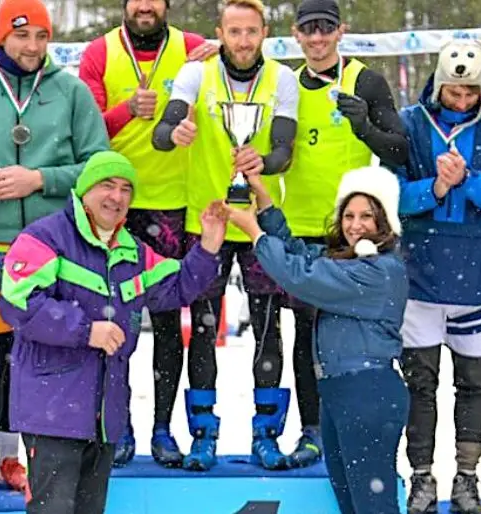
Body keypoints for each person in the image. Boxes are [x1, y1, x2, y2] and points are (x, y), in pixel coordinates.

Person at [0, 0, 109, 510]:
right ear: (1, 39)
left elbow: (99, 166)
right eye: (21, 36)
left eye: (40, 36)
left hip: (53, 252)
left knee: (42, 365)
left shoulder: (71, 92)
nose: (32, 47)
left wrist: (42, 179)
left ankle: (29, 467)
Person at [0, 151, 226, 514]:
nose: (116, 197)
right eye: (107, 185)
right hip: (52, 412)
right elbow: (16, 303)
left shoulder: (134, 252)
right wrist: (85, 330)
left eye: (125, 190)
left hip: (104, 417)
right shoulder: (44, 237)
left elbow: (178, 286)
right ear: (84, 190)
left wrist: (209, 245)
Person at [150, 0, 299, 471]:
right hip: (209, 219)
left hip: (257, 219)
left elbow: (284, 152)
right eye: (233, 31)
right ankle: (202, 433)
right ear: (220, 32)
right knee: (204, 330)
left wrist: (263, 164)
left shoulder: (283, 78)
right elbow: (163, 129)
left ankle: (267, 433)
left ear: (264, 33)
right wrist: (175, 131)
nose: (242, 40)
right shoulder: (198, 74)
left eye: (251, 31)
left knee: (268, 326)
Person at [77, 0, 218, 468]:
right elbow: (85, 131)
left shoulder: (193, 48)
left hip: (175, 204)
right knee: (112, 323)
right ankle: (117, 426)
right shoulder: (98, 53)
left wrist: (222, 48)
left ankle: (162, 427)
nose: (144, 6)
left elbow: (234, 74)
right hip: (115, 208)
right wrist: (124, 112)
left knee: (167, 327)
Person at [391, 37, 481, 514]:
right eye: (455, 92)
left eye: (471, 93)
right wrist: (435, 186)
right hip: (420, 280)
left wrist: (468, 181)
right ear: (439, 84)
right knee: (419, 384)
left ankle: (466, 478)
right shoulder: (409, 123)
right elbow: (391, 197)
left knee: (474, 384)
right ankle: (422, 476)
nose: (463, 101)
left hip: (478, 279)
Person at [226, 166, 409, 513]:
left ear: (384, 222)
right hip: (338, 394)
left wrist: (253, 233)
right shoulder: (346, 262)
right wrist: (263, 198)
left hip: (367, 393)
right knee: (351, 504)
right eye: (349, 215)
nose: (355, 225)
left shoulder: (380, 271)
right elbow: (297, 252)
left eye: (367, 216)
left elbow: (300, 275)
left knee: (373, 506)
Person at [282, 0, 408, 468]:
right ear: (295, 34)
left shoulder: (365, 82)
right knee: (304, 340)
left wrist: (365, 126)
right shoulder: (286, 83)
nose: (317, 38)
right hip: (299, 228)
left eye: (326, 29)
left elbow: (399, 149)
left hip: (350, 235)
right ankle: (313, 429)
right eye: (308, 29)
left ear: (341, 32)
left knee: (349, 340)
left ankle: (349, 427)